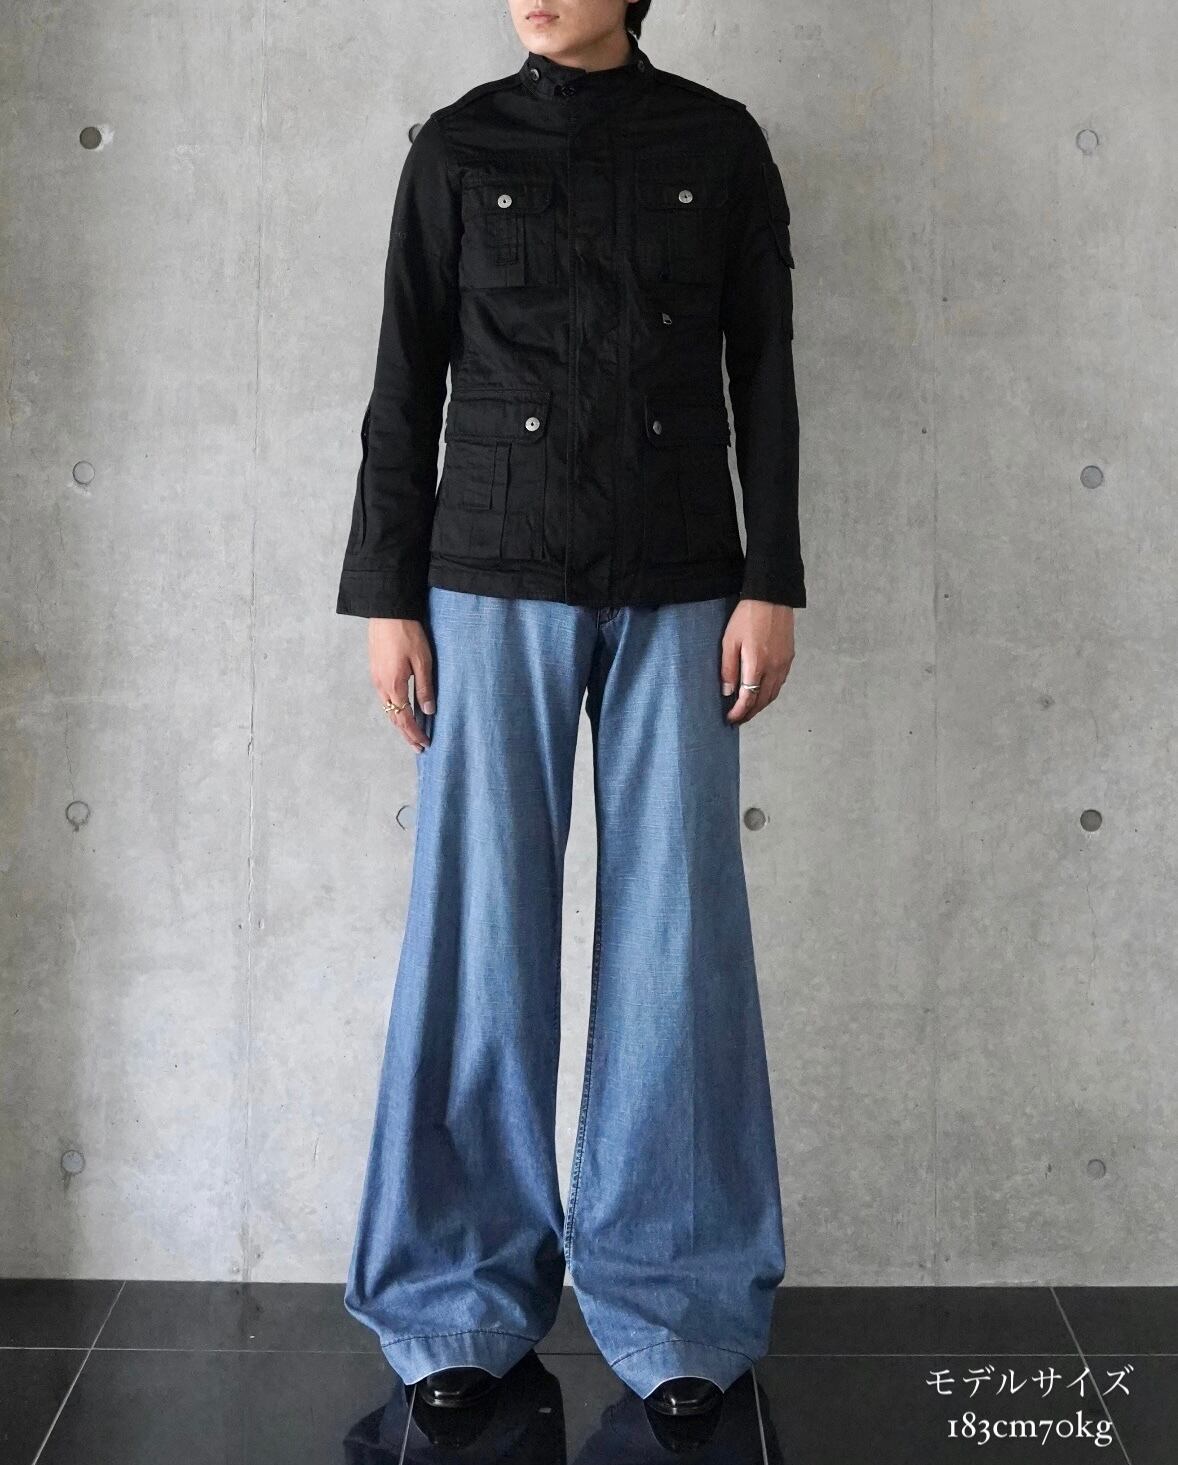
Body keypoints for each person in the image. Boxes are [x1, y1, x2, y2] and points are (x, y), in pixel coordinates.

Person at [337, 0, 804, 1422]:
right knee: (479, 934)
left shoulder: (718, 144)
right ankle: (452, 1296)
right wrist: (387, 598)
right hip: (487, 580)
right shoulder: (455, 147)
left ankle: (679, 1302)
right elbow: (403, 379)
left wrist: (771, 580)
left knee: (679, 937)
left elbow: (765, 374)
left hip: (684, 580)